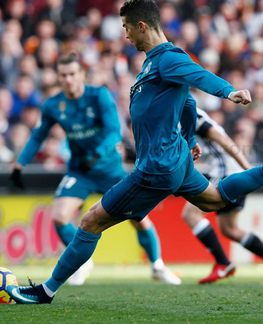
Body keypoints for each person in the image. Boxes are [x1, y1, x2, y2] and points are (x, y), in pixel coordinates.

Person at [7, 0, 263, 304]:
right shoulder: (153, 64)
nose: (125, 34)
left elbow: (199, 77)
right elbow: (187, 103)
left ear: (141, 27)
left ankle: (45, 291)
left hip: (157, 166)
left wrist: (230, 92)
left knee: (91, 221)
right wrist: (190, 141)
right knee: (215, 199)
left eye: (126, 27)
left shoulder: (168, 58)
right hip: (176, 159)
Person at [10, 54, 182, 286]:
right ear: (58, 77)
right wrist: (20, 163)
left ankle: (157, 266)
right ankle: (81, 262)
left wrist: (97, 155)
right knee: (60, 217)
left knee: (139, 219)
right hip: (80, 171)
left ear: (82, 74)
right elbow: (38, 135)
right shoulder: (53, 105)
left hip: (109, 170)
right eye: (63, 75)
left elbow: (113, 130)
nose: (68, 79)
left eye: (72, 74)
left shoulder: (99, 95)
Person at [182, 108, 263, 284]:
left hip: (227, 171)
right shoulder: (178, 110)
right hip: (231, 170)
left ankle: (223, 263)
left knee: (190, 214)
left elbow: (224, 140)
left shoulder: (188, 112)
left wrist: (249, 170)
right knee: (229, 229)